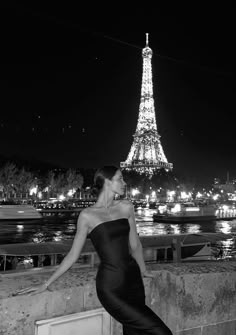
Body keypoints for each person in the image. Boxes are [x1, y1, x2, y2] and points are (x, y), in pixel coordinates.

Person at [16, 166, 173, 335]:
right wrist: (46, 283)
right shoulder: (87, 215)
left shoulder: (126, 207)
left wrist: (143, 270)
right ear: (107, 182)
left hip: (133, 281)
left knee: (133, 332)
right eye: (120, 178)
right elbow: (73, 255)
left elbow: (135, 245)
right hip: (111, 286)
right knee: (161, 332)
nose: (124, 183)